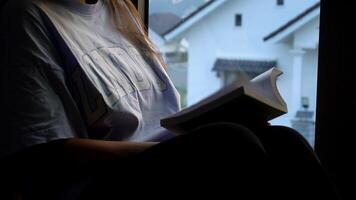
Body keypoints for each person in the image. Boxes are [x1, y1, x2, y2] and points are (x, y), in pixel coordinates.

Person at [0, 0, 339, 199]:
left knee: (283, 140)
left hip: (161, 159)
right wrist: (182, 148)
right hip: (104, 186)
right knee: (233, 143)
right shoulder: (30, 17)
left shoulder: (121, 12)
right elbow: (46, 154)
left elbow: (160, 118)